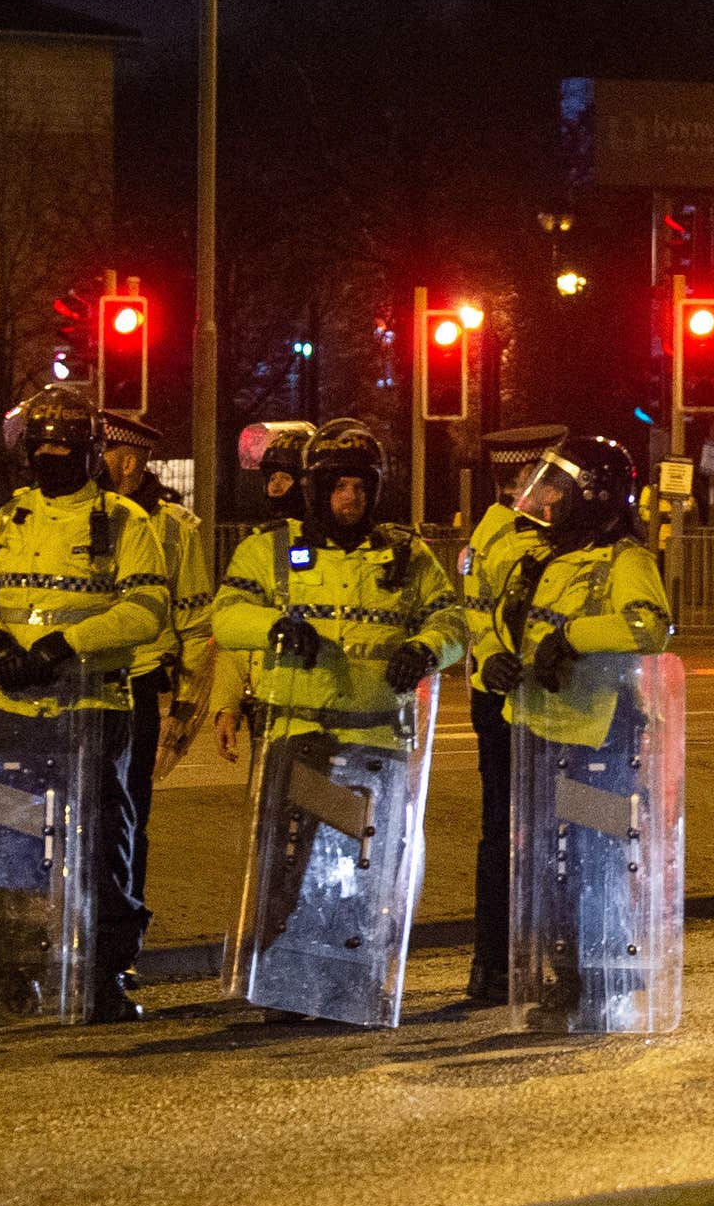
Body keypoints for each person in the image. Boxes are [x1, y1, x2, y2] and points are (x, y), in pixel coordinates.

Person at [210, 418, 468, 1000]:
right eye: (339, 485)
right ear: (315, 487)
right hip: (301, 732)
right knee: (290, 867)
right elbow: (225, 619)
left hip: (378, 740)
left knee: (365, 869)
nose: (350, 498)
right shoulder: (269, 549)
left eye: (361, 486)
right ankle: (280, 980)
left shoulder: (408, 555)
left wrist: (427, 648)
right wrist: (275, 626)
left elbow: (453, 621)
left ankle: (351, 980)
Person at [0, 383, 171, 1022]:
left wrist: (63, 647)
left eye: (64, 449)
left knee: (100, 846)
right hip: (11, 708)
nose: (51, 459)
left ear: (91, 452)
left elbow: (146, 610)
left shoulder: (127, 523)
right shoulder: (10, 519)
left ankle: (105, 975)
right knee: (6, 843)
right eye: (41, 449)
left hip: (92, 708)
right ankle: (8, 972)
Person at [490, 433, 674, 1026]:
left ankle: (601, 980)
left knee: (591, 863)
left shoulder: (625, 560)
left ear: (591, 495)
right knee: (547, 865)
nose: (543, 498)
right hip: (539, 736)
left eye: (557, 487)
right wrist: (493, 654)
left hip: (599, 736)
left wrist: (573, 639)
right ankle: (562, 977)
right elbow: (504, 622)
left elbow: (649, 627)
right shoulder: (541, 557)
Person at [458, 423, 566, 1007]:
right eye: (547, 478)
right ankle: (504, 963)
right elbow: (484, 620)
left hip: (510, 696)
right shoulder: (508, 538)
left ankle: (501, 964)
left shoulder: (495, 534)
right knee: (518, 830)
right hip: (512, 702)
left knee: (511, 829)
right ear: (525, 479)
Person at [99, 410, 212, 934]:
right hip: (71, 684)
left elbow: (195, 628)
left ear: (124, 463)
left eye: (97, 453)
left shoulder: (172, 529)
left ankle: (121, 936)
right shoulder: (78, 514)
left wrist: (184, 714)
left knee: (127, 819)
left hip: (137, 688)